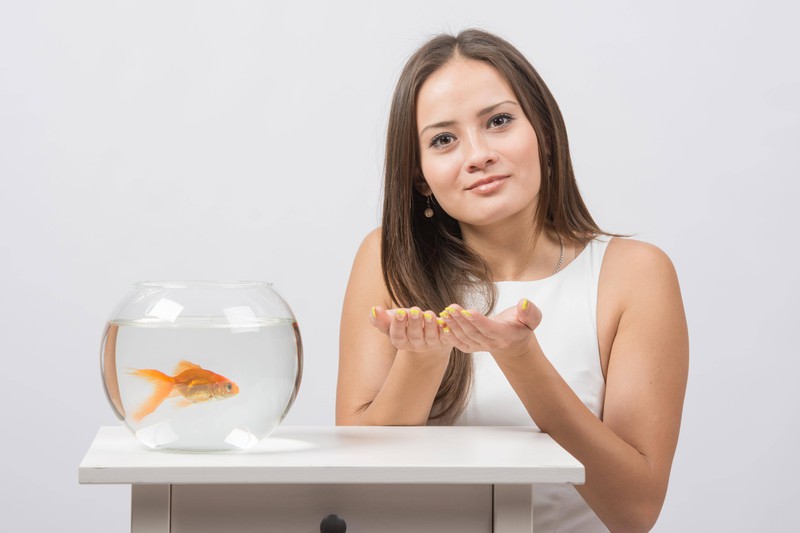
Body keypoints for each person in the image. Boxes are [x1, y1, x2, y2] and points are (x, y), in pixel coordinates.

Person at [336, 28, 688, 533]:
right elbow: (358, 492)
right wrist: (424, 361)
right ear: (420, 176)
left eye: (498, 121)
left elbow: (634, 512)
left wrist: (522, 360)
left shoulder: (633, 274)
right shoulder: (388, 258)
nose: (477, 154)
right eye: (443, 139)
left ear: (542, 131)